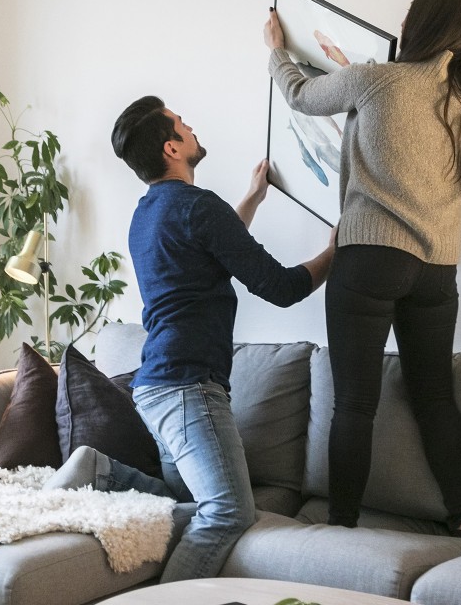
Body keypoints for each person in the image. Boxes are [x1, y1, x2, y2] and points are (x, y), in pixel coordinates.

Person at [43, 96, 334, 582]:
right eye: (183, 124)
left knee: (183, 506)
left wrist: (254, 198)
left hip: (156, 386)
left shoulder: (147, 215)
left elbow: (215, 246)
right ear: (173, 147)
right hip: (188, 386)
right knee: (227, 513)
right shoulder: (199, 208)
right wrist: (335, 253)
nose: (192, 126)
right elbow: (281, 288)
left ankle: (101, 472)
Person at [262, 0, 461, 538]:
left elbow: (300, 95)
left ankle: (341, 526)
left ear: (421, 22)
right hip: (438, 268)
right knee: (435, 397)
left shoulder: (378, 80)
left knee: (355, 404)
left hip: (371, 257)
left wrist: (277, 48)